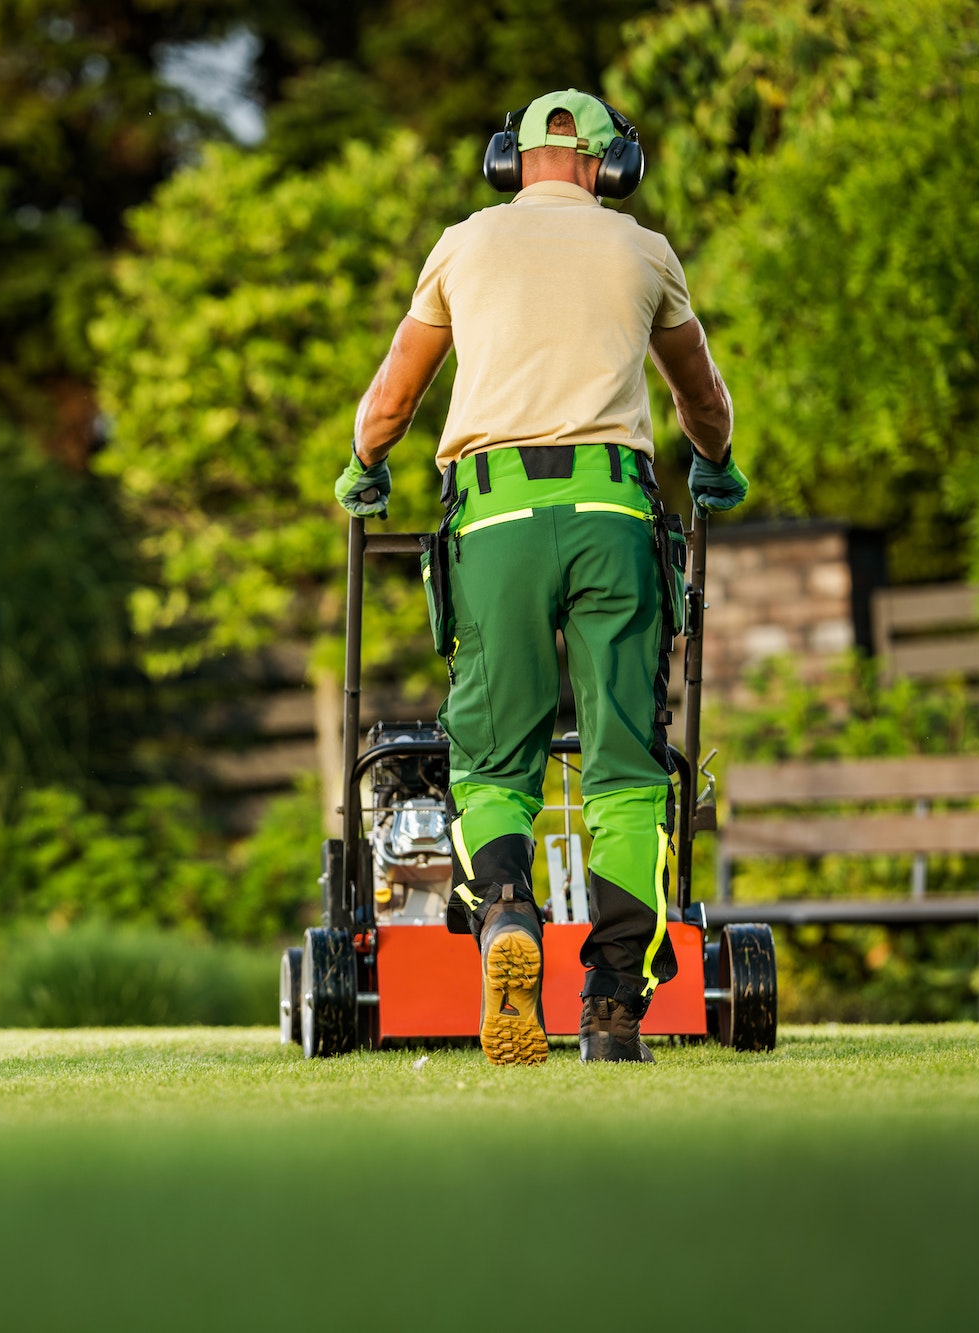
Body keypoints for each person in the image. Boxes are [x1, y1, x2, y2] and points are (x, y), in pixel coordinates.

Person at [333, 90, 747, 1064]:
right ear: (613, 166)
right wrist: (714, 460)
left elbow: (391, 395)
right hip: (612, 512)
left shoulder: (462, 245)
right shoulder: (642, 250)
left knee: (487, 749)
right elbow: (701, 398)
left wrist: (364, 463)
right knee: (625, 763)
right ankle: (611, 1007)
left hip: (494, 514)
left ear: (505, 162)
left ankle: (506, 913)